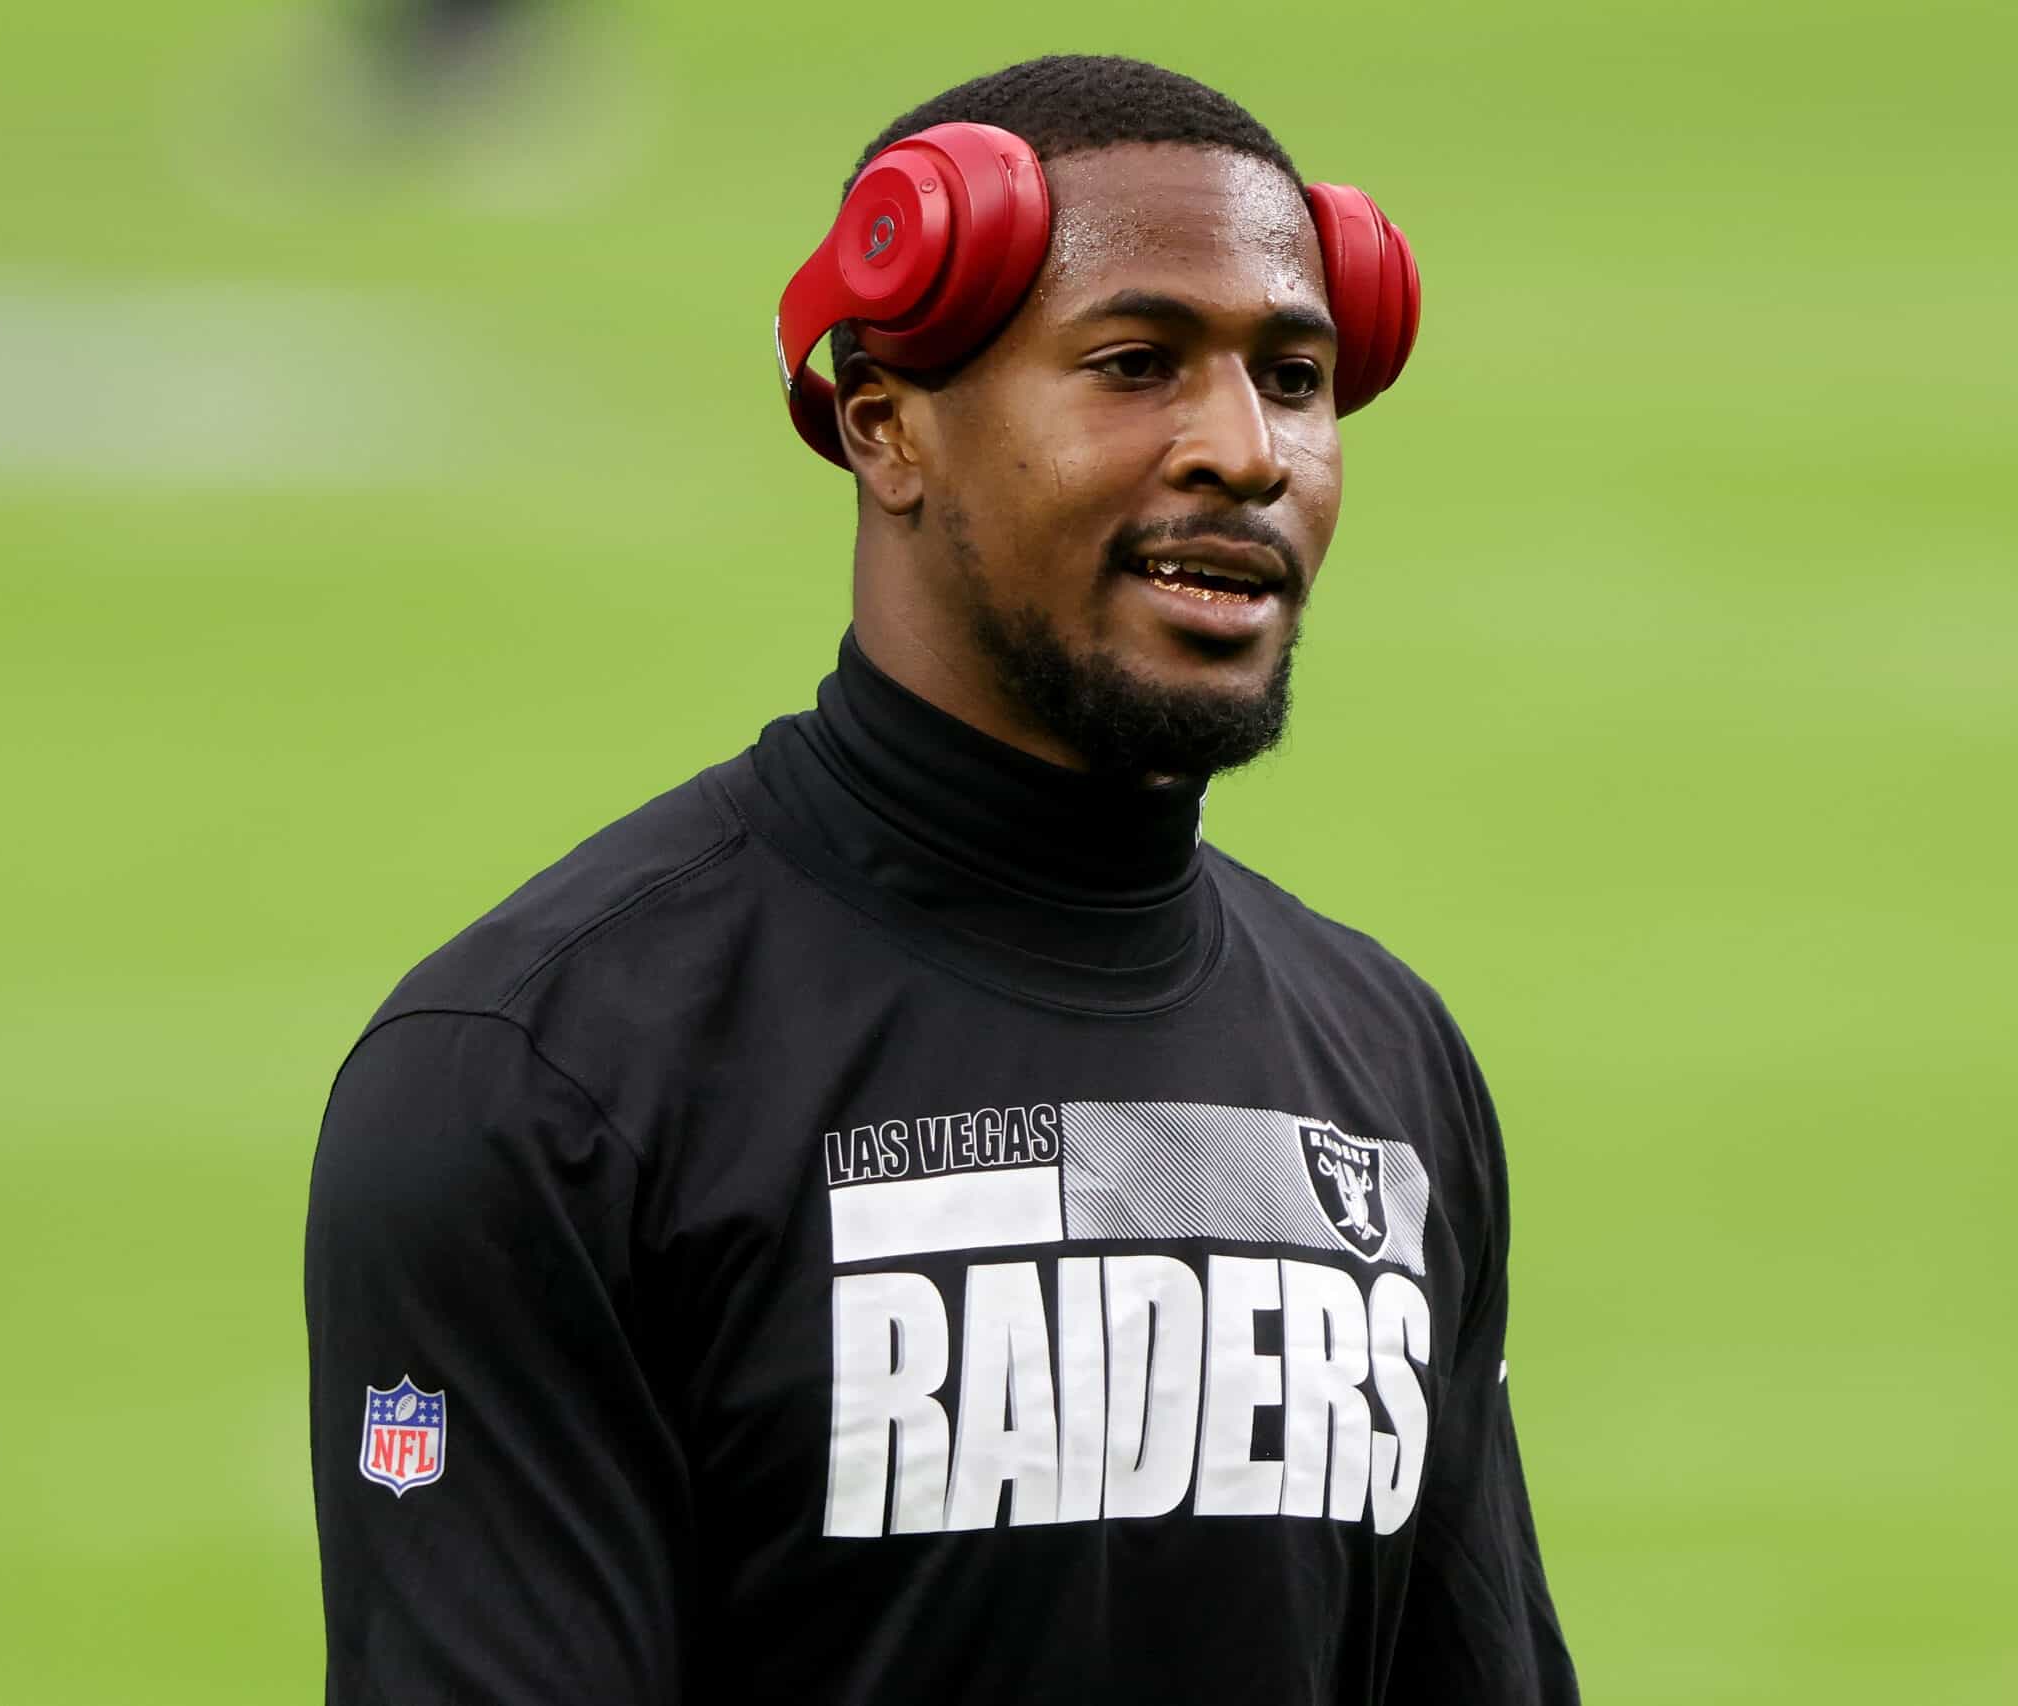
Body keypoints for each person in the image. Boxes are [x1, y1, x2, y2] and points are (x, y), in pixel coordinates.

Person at [306, 52, 1577, 1705]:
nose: (1245, 450)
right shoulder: (543, 1074)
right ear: (886, 429)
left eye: (1294, 377)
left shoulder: (1386, 1065)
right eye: (1136, 365)